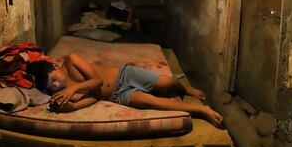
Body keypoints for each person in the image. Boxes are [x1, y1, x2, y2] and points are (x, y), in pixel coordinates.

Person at [29, 54, 223, 127]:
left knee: (169, 84)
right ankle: (201, 110)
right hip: (117, 95)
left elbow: (96, 81)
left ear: (55, 66)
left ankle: (186, 89)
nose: (56, 86)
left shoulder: (71, 61)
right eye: (50, 87)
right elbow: (95, 97)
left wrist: (75, 89)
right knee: (149, 102)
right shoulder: (59, 94)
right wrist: (71, 108)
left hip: (125, 75)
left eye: (54, 79)